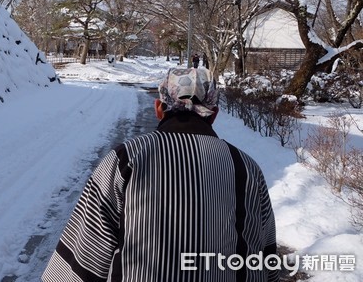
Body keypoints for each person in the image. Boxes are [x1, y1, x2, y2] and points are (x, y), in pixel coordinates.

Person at [42, 68, 278, 282]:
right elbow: (266, 258)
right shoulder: (247, 168)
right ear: (213, 114)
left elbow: (85, 254)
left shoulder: (127, 159)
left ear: (158, 108)